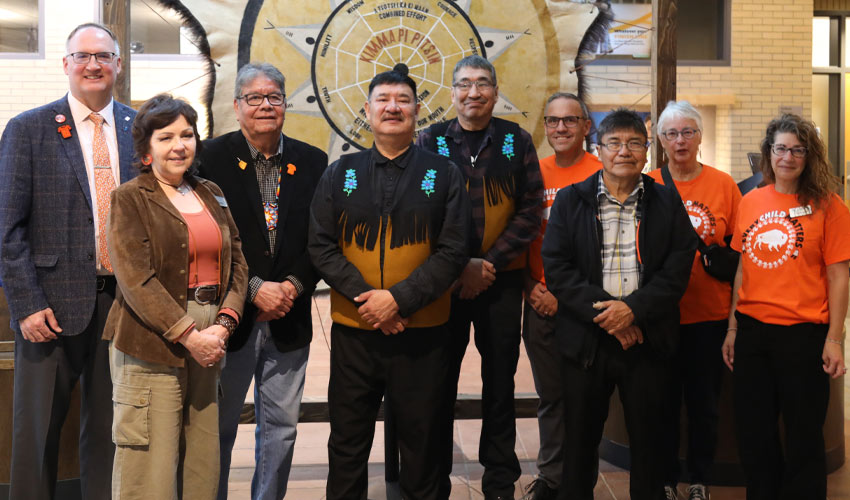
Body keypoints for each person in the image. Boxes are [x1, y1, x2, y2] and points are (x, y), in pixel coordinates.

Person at [309, 63, 469, 500]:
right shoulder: (342, 172)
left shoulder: (444, 173)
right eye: (383, 99)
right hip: (355, 331)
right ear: (367, 110)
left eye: (402, 100)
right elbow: (321, 245)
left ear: (418, 110)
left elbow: (454, 250)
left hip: (423, 332)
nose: (392, 107)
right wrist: (370, 301)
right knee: (347, 441)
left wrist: (398, 300)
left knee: (422, 442)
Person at [0, 23, 135, 500]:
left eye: (103, 56)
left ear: (118, 63)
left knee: (110, 431)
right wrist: (26, 304)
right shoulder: (28, 128)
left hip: (123, 306)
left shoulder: (139, 129)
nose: (93, 65)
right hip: (49, 309)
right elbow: (7, 228)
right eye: (82, 56)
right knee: (36, 434)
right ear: (66, 64)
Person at [542, 108, 696, 500]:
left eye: (633, 143)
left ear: (647, 152)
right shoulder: (570, 201)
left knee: (650, 445)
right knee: (578, 444)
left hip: (647, 340)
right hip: (585, 342)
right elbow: (558, 270)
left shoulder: (666, 201)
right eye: (614, 143)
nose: (623, 151)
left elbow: (678, 269)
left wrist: (634, 311)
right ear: (598, 150)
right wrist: (613, 315)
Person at [103, 93, 248, 499]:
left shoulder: (210, 192)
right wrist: (189, 335)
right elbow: (135, 280)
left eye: (187, 135)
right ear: (147, 149)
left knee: (202, 461)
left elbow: (237, 263)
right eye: (166, 137)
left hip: (210, 338)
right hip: (153, 341)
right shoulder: (130, 197)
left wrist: (222, 326)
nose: (179, 145)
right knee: (150, 462)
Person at [199, 62, 327, 500]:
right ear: (237, 106)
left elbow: (321, 239)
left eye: (273, 96)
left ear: (286, 104)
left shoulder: (313, 161)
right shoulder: (210, 158)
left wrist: (291, 286)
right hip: (229, 318)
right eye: (254, 98)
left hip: (290, 316)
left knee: (282, 431)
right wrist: (254, 288)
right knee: (218, 427)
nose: (265, 105)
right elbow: (207, 239)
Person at [417, 54, 543, 499]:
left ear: (495, 90)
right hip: (443, 287)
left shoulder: (514, 141)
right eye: (466, 84)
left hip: (501, 283)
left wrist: (486, 263)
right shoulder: (430, 142)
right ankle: (434, 482)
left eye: (483, 84)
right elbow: (422, 212)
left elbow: (531, 210)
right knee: (437, 383)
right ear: (452, 93)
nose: (475, 92)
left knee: (499, 386)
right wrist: (458, 268)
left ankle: (500, 481)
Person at [722, 114, 850, 500]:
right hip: (753, 333)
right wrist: (732, 328)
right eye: (781, 148)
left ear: (810, 156)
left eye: (798, 149)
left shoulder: (830, 205)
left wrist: (835, 339)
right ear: (769, 152)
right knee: (754, 434)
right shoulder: (751, 201)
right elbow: (743, 270)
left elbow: (839, 276)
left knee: (804, 437)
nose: (788, 157)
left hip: (804, 336)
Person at [648, 101, 742, 500]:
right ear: (660, 140)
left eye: (688, 132)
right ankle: (666, 479)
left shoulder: (725, 186)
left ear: (700, 137)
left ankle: (699, 479)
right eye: (672, 133)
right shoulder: (648, 183)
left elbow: (740, 258)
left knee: (704, 405)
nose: (680, 140)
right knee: (662, 404)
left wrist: (735, 324)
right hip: (660, 316)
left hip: (710, 315)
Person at [521, 92, 601, 500]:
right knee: (550, 397)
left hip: (583, 308)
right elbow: (520, 236)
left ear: (586, 127)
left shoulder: (602, 173)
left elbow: (606, 251)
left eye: (570, 121)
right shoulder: (535, 173)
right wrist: (530, 286)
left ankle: (580, 480)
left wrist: (562, 295)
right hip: (537, 303)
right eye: (553, 121)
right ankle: (551, 477)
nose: (561, 128)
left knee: (583, 399)